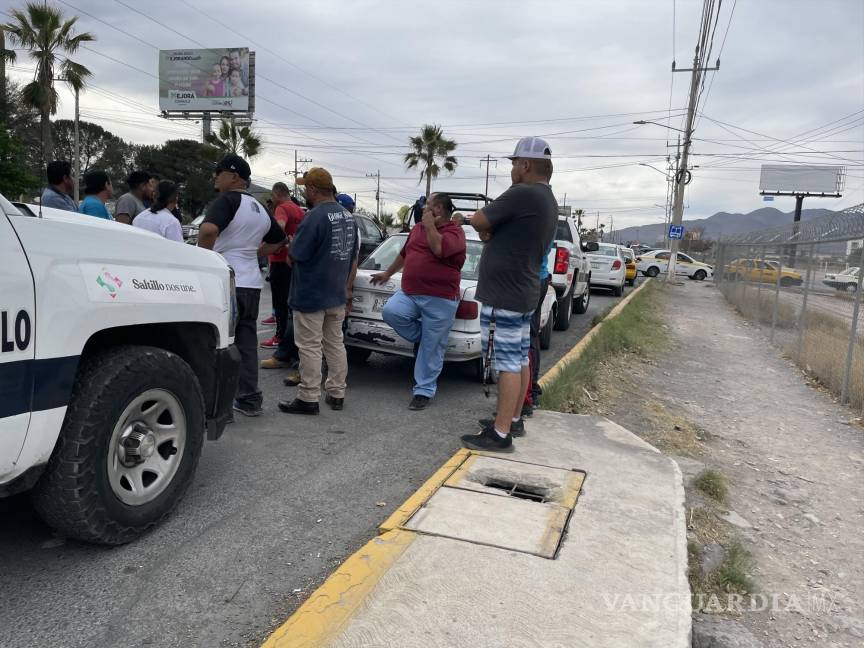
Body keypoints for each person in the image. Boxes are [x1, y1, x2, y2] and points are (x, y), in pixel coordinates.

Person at [460, 137, 557, 453]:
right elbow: (492, 229)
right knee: (518, 357)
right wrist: (489, 229)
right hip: (522, 288)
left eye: (514, 163)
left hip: (508, 293)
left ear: (526, 165)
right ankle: (513, 418)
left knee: (507, 363)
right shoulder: (545, 197)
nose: (513, 168)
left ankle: (500, 434)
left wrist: (484, 226)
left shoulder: (524, 193)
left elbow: (479, 220)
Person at [197, 154, 287, 417]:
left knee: (216, 342)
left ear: (234, 176)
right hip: (251, 283)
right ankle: (249, 399)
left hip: (226, 281)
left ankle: (218, 407)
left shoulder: (227, 200)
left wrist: (203, 260)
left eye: (219, 171)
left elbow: (208, 230)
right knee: (246, 342)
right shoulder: (260, 207)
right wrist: (253, 254)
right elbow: (279, 240)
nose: (216, 176)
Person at [372, 193, 466, 410]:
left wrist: (430, 226)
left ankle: (424, 390)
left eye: (428, 206)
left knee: (432, 349)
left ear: (439, 210)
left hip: (441, 298)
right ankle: (428, 338)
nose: (422, 209)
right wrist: (387, 273)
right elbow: (405, 254)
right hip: (411, 292)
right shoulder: (417, 229)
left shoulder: (455, 233)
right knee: (392, 312)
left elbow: (439, 249)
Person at [277, 167, 358, 415]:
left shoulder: (314, 216)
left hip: (311, 292)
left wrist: (290, 244)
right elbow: (352, 255)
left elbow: (295, 256)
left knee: (310, 346)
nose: (303, 192)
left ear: (312, 189)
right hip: (335, 292)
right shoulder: (347, 217)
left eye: (305, 188)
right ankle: (336, 392)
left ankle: (308, 397)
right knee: (335, 344)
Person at [260, 182, 304, 352]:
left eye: (272, 195)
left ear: (277, 193)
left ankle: (279, 337)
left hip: (280, 261)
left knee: (279, 303)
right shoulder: (299, 210)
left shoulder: (282, 208)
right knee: (290, 303)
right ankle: (291, 339)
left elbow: (279, 230)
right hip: (294, 262)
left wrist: (272, 245)